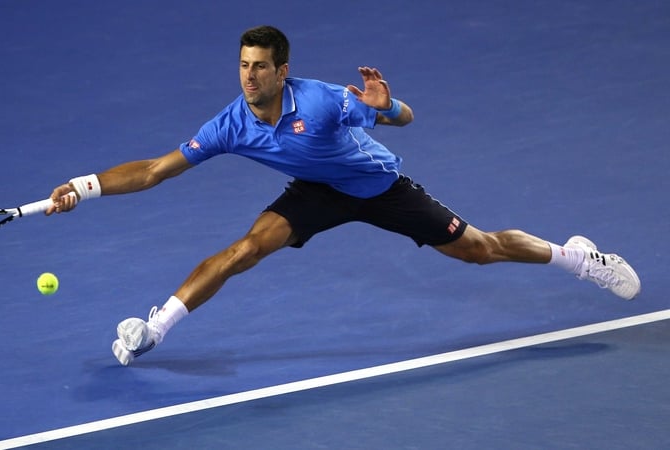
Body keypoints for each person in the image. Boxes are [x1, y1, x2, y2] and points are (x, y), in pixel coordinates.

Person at [46, 25, 641, 366]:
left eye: (260, 67)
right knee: (246, 249)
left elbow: (403, 117)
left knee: (480, 249)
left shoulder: (327, 99)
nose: (248, 77)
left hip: (381, 188)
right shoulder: (232, 122)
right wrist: (83, 185)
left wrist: (388, 106)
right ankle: (156, 330)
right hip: (317, 193)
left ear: (284, 71)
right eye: (243, 66)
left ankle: (579, 257)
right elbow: (153, 170)